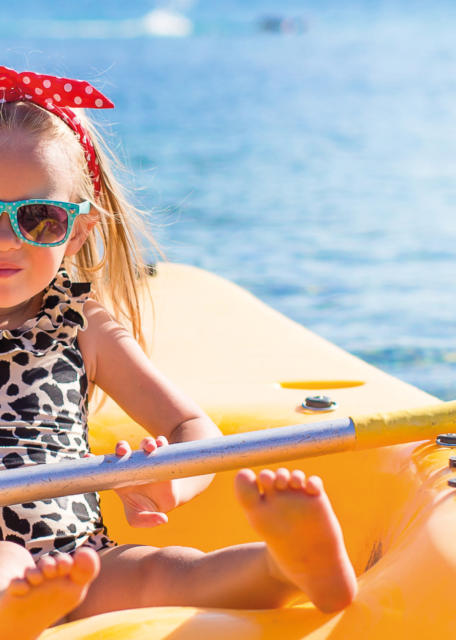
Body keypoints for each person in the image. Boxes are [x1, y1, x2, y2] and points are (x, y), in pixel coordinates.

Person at [0, 65, 357, 639]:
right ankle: (16, 610)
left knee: (168, 571)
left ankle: (287, 566)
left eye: (37, 218)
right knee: (5, 564)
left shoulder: (80, 323)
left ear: (80, 230)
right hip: (13, 568)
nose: (7, 239)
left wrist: (170, 479)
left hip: (76, 556)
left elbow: (194, 427)